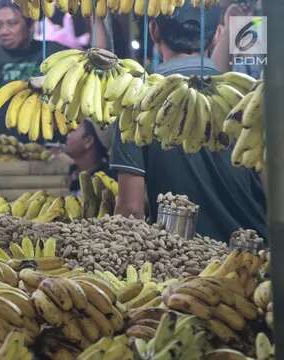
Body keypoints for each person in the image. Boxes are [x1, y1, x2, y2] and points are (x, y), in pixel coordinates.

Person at [110, 0, 266, 241]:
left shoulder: (135, 102)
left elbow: (131, 210)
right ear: (217, 36)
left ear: (153, 31)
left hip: (185, 265)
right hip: (256, 260)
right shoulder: (250, 100)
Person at [0, 0, 66, 137]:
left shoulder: (54, 52)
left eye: (12, 23)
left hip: (52, 144)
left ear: (30, 25)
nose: (3, 31)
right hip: (5, 148)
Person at [65, 120, 112, 194]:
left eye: (73, 130)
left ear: (88, 141)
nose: (67, 134)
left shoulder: (105, 182)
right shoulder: (70, 172)